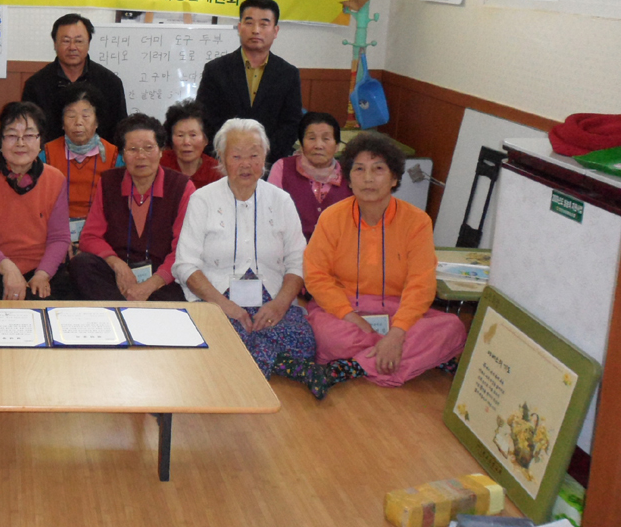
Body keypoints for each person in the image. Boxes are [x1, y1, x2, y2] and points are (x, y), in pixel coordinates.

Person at [293, 132, 467, 398]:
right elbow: (316, 276)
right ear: (349, 179)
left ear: (395, 178)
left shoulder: (417, 222)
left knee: (453, 328)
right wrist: (350, 316)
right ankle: (410, 357)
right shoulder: (332, 218)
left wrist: (397, 333)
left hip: (398, 313)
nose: (368, 178)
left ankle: (352, 367)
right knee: (327, 336)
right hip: (345, 312)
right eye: (359, 169)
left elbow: (421, 283)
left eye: (378, 169)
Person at [173, 119, 316, 379]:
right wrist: (225, 306)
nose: (246, 164)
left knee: (302, 339)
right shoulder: (202, 199)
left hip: (270, 300)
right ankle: (269, 367)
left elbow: (298, 260)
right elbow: (185, 264)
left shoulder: (281, 200)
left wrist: (280, 305)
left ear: (265, 157)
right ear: (223, 159)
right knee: (215, 336)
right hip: (217, 300)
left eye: (254, 155)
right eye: (237, 156)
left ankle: (234, 368)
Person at [70, 114, 192, 302]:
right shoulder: (109, 182)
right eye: (132, 149)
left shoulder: (181, 187)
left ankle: (120, 309)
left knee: (181, 284)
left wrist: (149, 285)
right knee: (82, 264)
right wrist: (117, 264)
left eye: (148, 148)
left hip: (161, 279)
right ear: (122, 154)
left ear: (161, 151)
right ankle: (120, 311)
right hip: (118, 277)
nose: (141, 156)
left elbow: (183, 250)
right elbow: (89, 236)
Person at [0, 101, 75, 300]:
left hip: (42, 268)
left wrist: (43, 274)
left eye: (29, 135)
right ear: (0, 140)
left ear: (40, 141)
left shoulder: (55, 178)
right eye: (12, 135)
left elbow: (59, 237)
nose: (20, 143)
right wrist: (8, 269)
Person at [196, 0, 303, 165]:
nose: (256, 30)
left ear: (275, 31)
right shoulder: (215, 70)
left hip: (269, 164)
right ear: (239, 28)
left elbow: (291, 124)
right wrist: (228, 153)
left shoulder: (288, 74)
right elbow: (205, 119)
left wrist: (261, 155)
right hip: (223, 163)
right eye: (249, 22)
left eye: (264, 23)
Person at [21, 13, 127, 144]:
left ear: (88, 43)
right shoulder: (36, 84)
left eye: (78, 41)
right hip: (49, 160)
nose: (72, 47)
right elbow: (29, 132)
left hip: (101, 160)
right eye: (66, 41)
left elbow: (120, 131)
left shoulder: (110, 83)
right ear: (55, 44)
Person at [42, 82, 119, 244]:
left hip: (101, 234)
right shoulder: (45, 154)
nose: (78, 122)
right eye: (71, 116)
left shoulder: (115, 156)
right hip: (53, 233)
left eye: (86, 116)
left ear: (97, 121)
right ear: (61, 123)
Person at [269, 111, 353, 239]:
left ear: (337, 146)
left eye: (326, 139)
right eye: (311, 138)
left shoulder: (350, 174)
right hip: (290, 252)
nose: (318, 145)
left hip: (338, 253)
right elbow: (270, 214)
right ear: (301, 144)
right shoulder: (282, 168)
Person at [160, 100, 223, 189]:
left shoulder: (216, 172)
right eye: (180, 135)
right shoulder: (159, 163)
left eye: (193, 135)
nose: (186, 142)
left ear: (205, 139)